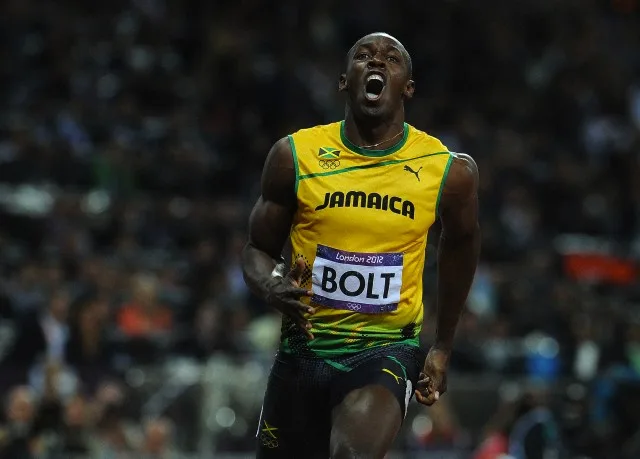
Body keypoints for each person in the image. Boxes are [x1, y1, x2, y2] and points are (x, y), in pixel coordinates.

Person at [242, 32, 480, 459]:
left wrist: (442, 345)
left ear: (408, 85)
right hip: (302, 351)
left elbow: (462, 246)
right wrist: (272, 285)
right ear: (344, 80)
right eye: (364, 57)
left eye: (391, 59)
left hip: (384, 350)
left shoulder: (446, 171)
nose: (377, 63)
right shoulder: (295, 155)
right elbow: (256, 250)